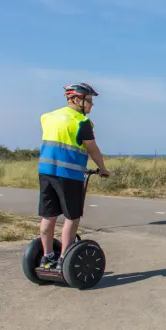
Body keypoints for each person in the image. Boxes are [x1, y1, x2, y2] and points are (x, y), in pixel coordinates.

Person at [38, 83, 110, 272]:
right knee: (72, 217)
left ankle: (47, 257)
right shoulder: (81, 122)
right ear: (77, 99)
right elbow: (92, 149)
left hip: (46, 173)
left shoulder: (47, 117)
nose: (92, 105)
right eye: (89, 101)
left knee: (48, 216)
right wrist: (102, 169)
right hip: (69, 175)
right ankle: (64, 258)